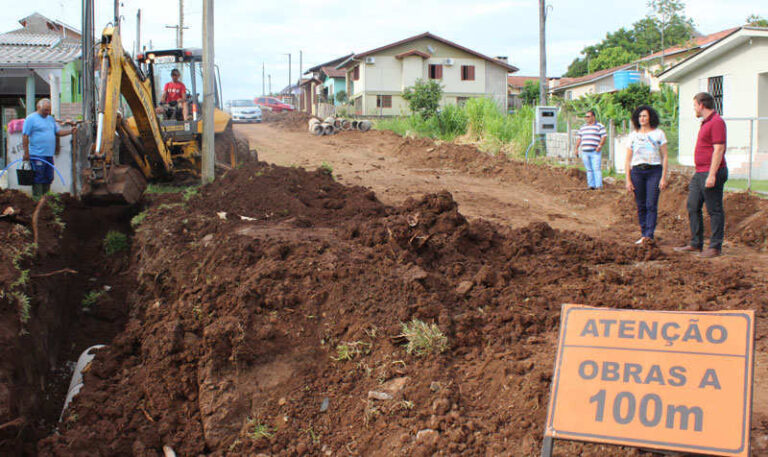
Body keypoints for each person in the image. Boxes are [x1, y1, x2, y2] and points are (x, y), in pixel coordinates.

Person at [674, 92, 728, 258]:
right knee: (692, 205)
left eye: (695, 105)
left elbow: (719, 149)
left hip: (712, 171)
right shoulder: (706, 122)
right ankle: (696, 243)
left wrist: (712, 175)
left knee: (714, 209)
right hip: (700, 172)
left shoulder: (717, 122)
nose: (694, 108)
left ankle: (715, 247)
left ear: (701, 105)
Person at [625, 105, 668, 244]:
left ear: (650, 117)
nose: (642, 118)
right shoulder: (633, 136)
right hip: (637, 172)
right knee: (641, 204)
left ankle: (649, 235)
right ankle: (644, 233)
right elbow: (628, 159)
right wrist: (628, 179)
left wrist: (663, 177)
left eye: (645, 116)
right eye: (640, 116)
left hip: (654, 171)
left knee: (651, 204)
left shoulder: (658, 134)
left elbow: (665, 156)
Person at [22, 99, 76, 198]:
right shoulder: (31, 119)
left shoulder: (50, 119)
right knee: (39, 176)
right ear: (38, 108)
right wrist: (26, 153)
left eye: (49, 110)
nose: (47, 112)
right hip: (37, 154)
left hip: (48, 154)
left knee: (49, 176)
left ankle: (46, 199)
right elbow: (25, 136)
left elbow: (58, 132)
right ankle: (38, 198)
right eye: (45, 110)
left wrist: (70, 131)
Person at [575, 110, 607, 189]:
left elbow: (604, 136)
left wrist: (599, 146)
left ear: (593, 117)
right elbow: (579, 138)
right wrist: (576, 148)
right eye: (586, 117)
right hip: (585, 151)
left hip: (595, 151)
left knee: (596, 168)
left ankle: (599, 185)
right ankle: (591, 185)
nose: (587, 118)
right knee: (589, 169)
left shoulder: (599, 126)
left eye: (588, 116)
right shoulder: (583, 127)